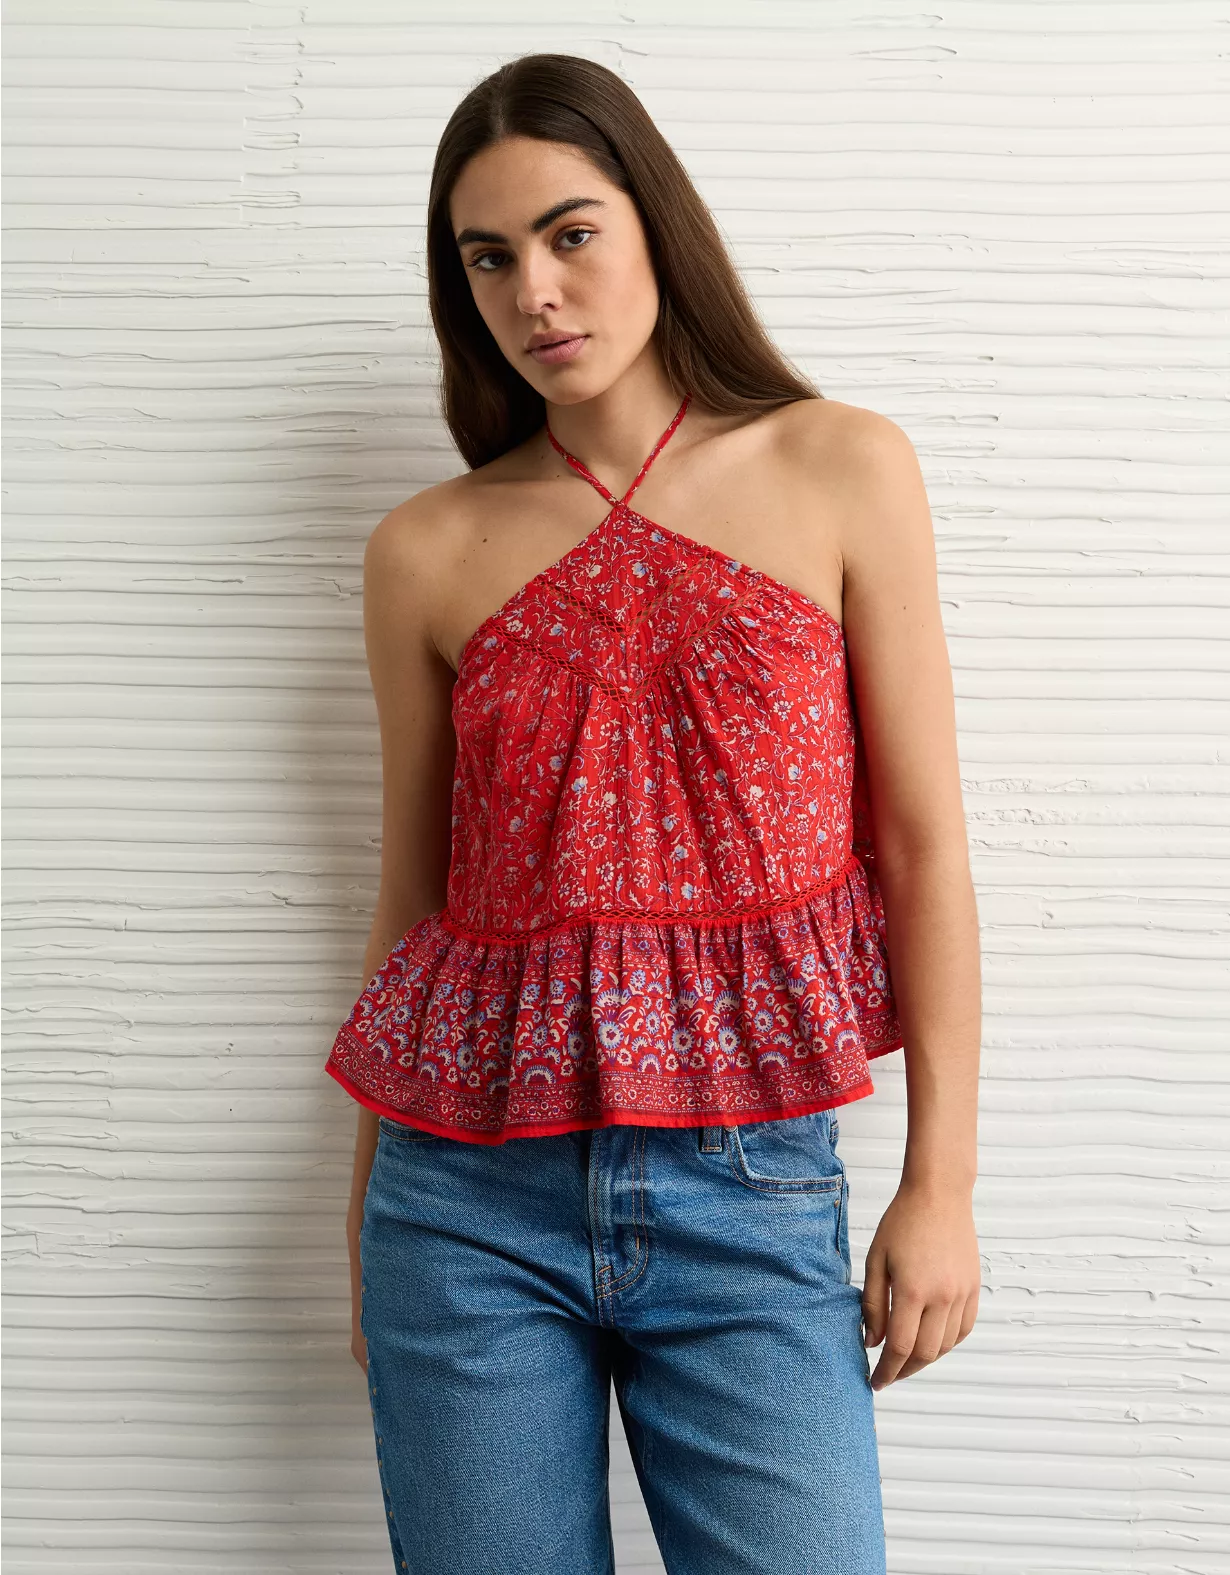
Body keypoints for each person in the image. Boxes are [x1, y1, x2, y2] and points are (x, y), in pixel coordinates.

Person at [325, 52, 981, 1575]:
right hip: (463, 1208)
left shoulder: (839, 465)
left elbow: (922, 843)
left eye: (570, 234)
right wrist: (365, 1212)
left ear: (654, 225)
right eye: (488, 259)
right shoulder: (425, 548)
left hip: (750, 1185)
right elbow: (415, 900)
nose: (535, 293)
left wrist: (939, 1181)